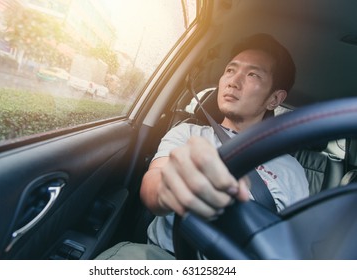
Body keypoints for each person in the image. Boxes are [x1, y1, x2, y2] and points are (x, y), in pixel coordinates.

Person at [96, 33, 309, 260]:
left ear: (274, 99)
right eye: (230, 70)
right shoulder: (187, 133)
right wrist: (170, 190)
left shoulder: (291, 169)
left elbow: (296, 243)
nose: (233, 81)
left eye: (253, 74)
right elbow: (153, 182)